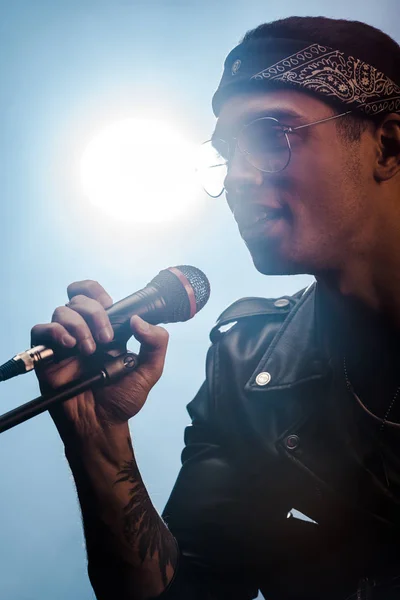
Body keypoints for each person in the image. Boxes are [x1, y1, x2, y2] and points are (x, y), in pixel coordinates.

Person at [31, 15, 400, 600]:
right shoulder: (245, 366)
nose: (237, 177)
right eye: (226, 152)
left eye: (270, 136)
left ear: (388, 145)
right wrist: (98, 438)